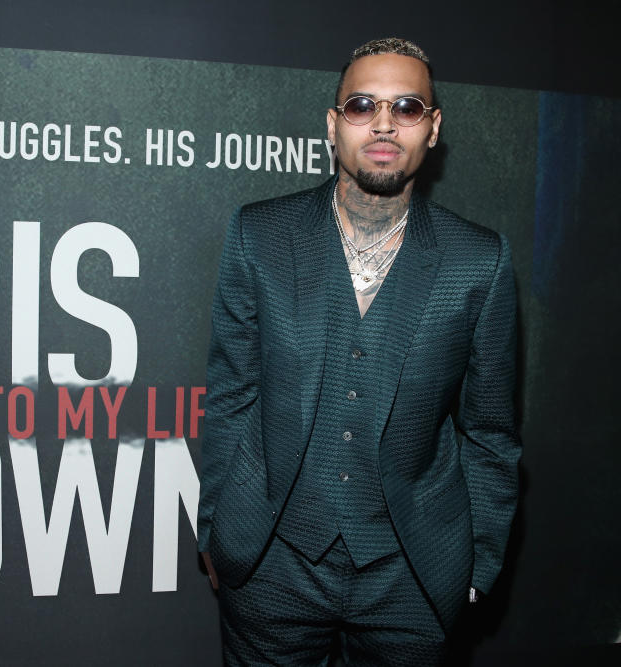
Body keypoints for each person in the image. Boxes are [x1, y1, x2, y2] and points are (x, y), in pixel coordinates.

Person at [197, 37, 520, 666]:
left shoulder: (479, 261)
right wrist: (218, 528)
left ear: (432, 129)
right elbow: (230, 397)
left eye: (406, 107)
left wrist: (477, 564)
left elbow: (490, 432)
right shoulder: (259, 235)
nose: (382, 122)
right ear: (332, 125)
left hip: (414, 578)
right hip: (271, 566)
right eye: (361, 104)